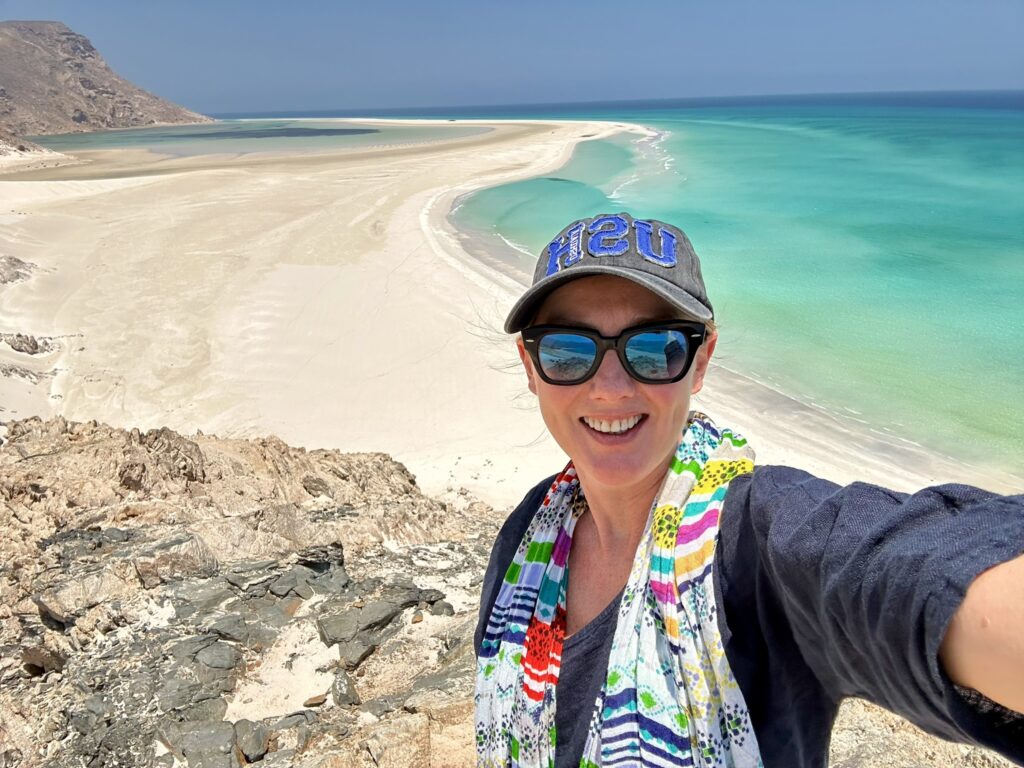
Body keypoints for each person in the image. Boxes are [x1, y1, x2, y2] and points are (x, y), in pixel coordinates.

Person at [473, 212, 1024, 768]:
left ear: (701, 361)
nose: (611, 388)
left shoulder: (752, 541)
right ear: (530, 364)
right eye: (569, 350)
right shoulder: (529, 534)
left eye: (653, 348)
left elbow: (898, 569)